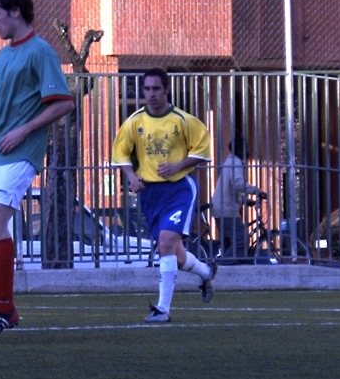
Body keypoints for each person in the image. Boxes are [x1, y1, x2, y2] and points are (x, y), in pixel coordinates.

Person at [0, 0, 76, 343]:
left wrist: (24, 130)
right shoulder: (7, 54)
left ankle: (2, 309)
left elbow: (62, 103)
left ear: (15, 12)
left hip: (21, 150)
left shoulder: (41, 51)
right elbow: (16, 98)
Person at [110, 68, 218, 323]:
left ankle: (162, 309)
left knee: (166, 244)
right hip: (151, 194)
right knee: (175, 254)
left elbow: (202, 150)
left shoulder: (183, 120)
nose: (151, 94)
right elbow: (120, 153)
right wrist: (131, 177)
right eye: (146, 89)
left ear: (166, 90)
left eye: (156, 89)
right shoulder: (135, 121)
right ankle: (206, 272)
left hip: (178, 189)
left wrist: (178, 165)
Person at [210, 135, 266, 260]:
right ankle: (224, 266)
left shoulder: (230, 162)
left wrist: (245, 201)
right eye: (247, 148)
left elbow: (230, 188)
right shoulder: (236, 163)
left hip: (222, 208)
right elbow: (238, 183)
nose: (249, 151)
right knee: (241, 239)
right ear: (240, 150)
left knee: (230, 242)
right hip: (226, 210)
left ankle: (224, 262)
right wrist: (257, 191)